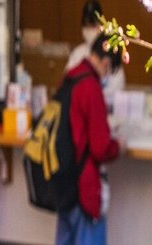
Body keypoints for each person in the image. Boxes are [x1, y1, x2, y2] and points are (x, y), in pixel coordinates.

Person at [56, 32, 123, 245]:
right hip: (83, 185)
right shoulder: (91, 88)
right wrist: (119, 146)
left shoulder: (69, 77)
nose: (107, 76)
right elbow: (100, 147)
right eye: (110, 71)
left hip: (63, 180)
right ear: (105, 62)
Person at [65, 0, 125, 107]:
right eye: (86, 26)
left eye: (93, 26)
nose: (89, 30)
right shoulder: (77, 54)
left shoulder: (111, 51)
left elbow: (117, 89)